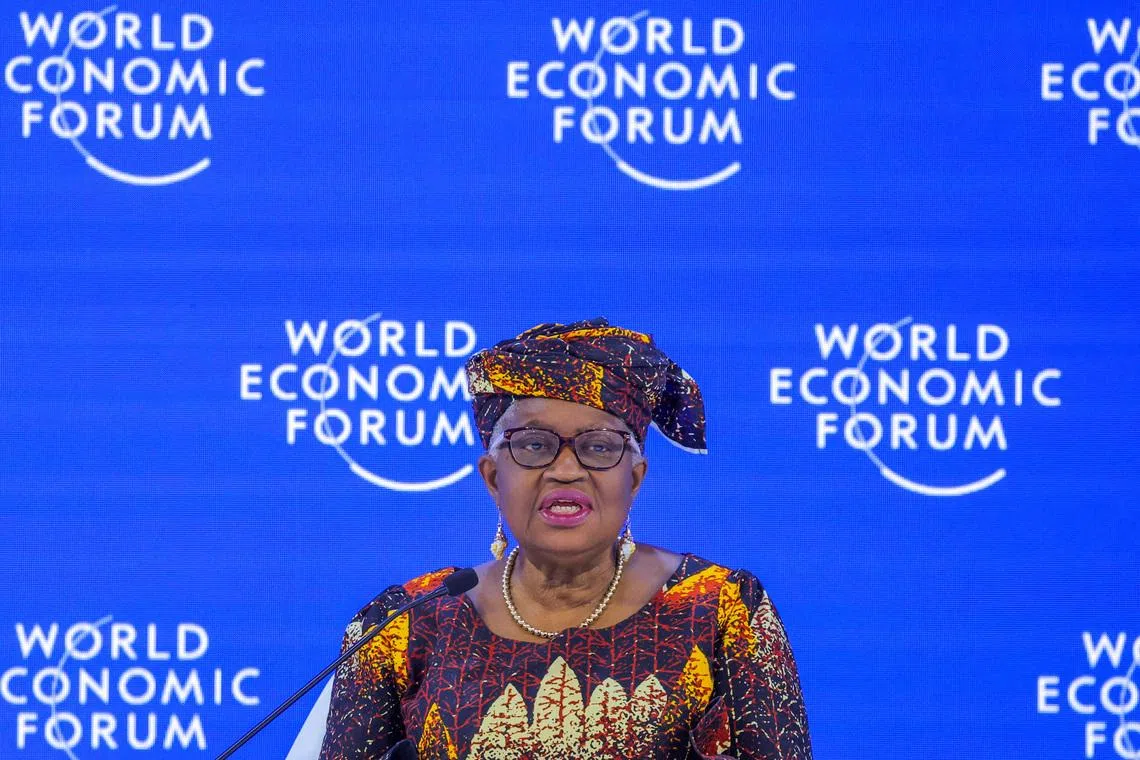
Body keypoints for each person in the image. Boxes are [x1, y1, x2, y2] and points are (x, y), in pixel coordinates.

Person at [318, 318, 812, 760]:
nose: (566, 469)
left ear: (635, 479)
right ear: (493, 477)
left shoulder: (722, 609)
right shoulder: (404, 624)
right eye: (534, 445)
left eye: (599, 446)